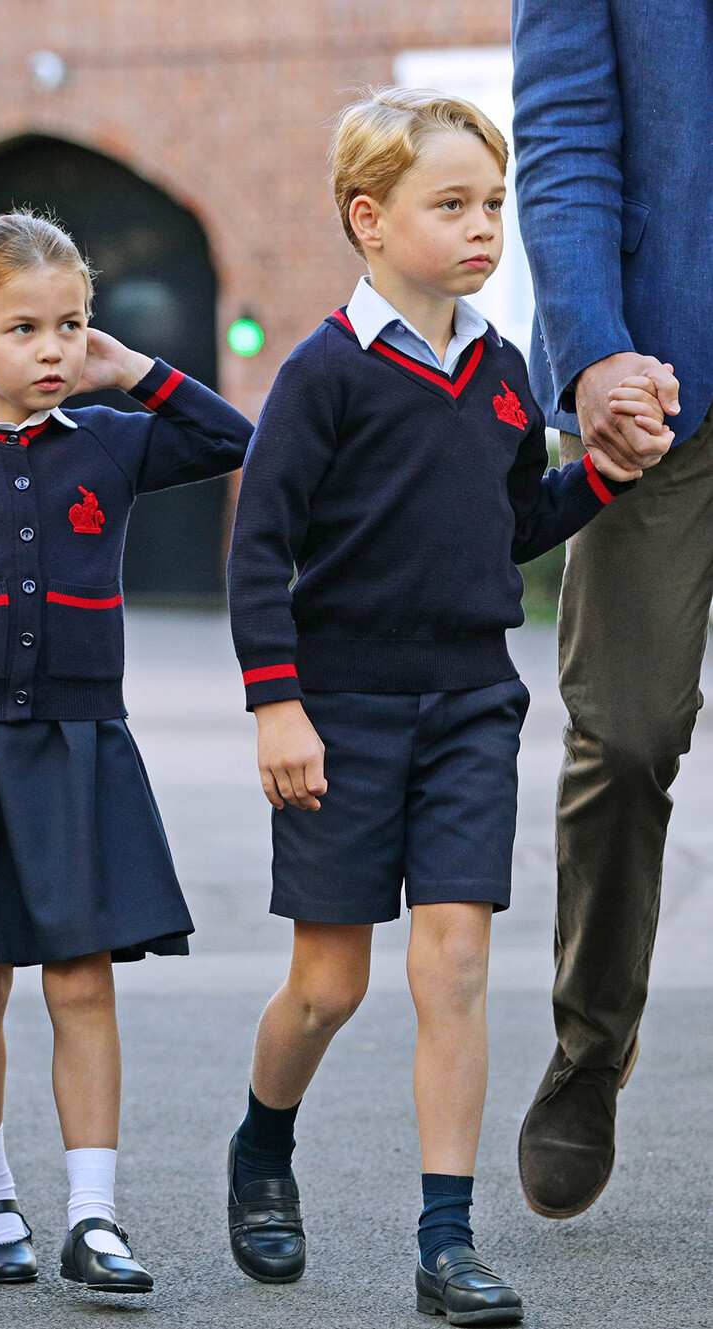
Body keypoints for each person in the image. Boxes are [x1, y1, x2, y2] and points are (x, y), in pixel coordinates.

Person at [225, 87, 669, 1327]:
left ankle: (445, 1243)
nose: (484, 227)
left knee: (457, 966)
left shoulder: (504, 367)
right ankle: (261, 1149)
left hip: (472, 703)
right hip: (341, 713)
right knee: (327, 987)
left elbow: (511, 524)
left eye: (493, 204)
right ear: (368, 219)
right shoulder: (320, 375)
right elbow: (257, 556)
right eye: (451, 205)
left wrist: (597, 478)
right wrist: (276, 708)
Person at [0, 211, 251, 1294]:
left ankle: (92, 1217)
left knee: (81, 980)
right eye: (24, 327)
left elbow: (233, 445)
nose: (52, 349)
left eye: (71, 325)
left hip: (82, 745)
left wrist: (133, 369)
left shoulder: (113, 441)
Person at [511, 0, 711, 1221]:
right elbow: (568, 126)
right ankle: (590, 1050)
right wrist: (590, 349)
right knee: (624, 734)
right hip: (662, 375)